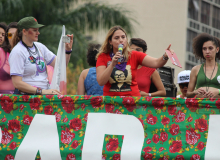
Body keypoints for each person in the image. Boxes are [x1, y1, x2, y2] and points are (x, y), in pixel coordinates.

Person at [96, 26, 173, 96]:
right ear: (110, 41)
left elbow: (156, 62)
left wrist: (165, 56)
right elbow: (101, 82)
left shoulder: (134, 55)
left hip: (132, 102)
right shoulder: (103, 57)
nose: (121, 40)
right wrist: (112, 64)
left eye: (123, 37)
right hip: (111, 102)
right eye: (116, 38)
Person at [9, 17, 73, 95]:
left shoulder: (40, 46)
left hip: (43, 95)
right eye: (34, 30)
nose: (38, 33)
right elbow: (17, 83)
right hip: (26, 98)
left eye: (38, 30)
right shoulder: (17, 51)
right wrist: (42, 91)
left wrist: (67, 51)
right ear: (24, 31)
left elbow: (61, 66)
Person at [187, 33, 220, 98]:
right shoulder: (195, 69)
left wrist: (218, 91)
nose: (207, 51)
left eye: (210, 48)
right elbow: (188, 94)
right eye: (204, 49)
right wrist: (195, 92)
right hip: (199, 106)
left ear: (217, 49)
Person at [0, 22, 18, 94]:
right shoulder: (2, 52)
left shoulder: (27, 54)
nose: (13, 37)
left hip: (19, 99)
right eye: (10, 35)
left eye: (16, 35)